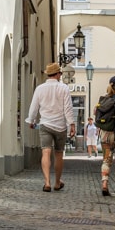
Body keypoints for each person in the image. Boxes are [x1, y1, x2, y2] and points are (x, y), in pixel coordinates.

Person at [26, 62, 75, 192]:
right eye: (60, 73)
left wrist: (31, 120)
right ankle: (57, 182)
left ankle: (47, 182)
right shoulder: (63, 88)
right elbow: (68, 108)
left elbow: (34, 107)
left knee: (45, 152)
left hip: (45, 125)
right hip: (60, 126)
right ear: (58, 74)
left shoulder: (40, 88)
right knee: (59, 154)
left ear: (48, 74)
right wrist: (72, 124)